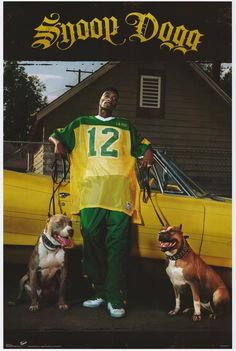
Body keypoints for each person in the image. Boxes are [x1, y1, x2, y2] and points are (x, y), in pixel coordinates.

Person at [49, 87, 153, 318]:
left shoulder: (125, 125)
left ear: (116, 104)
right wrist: (57, 143)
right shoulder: (81, 123)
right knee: (91, 236)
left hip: (119, 192)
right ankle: (100, 290)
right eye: (107, 95)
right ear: (100, 98)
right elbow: (55, 134)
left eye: (115, 98)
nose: (110, 99)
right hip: (91, 191)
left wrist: (148, 151)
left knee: (117, 244)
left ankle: (115, 297)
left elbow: (143, 145)